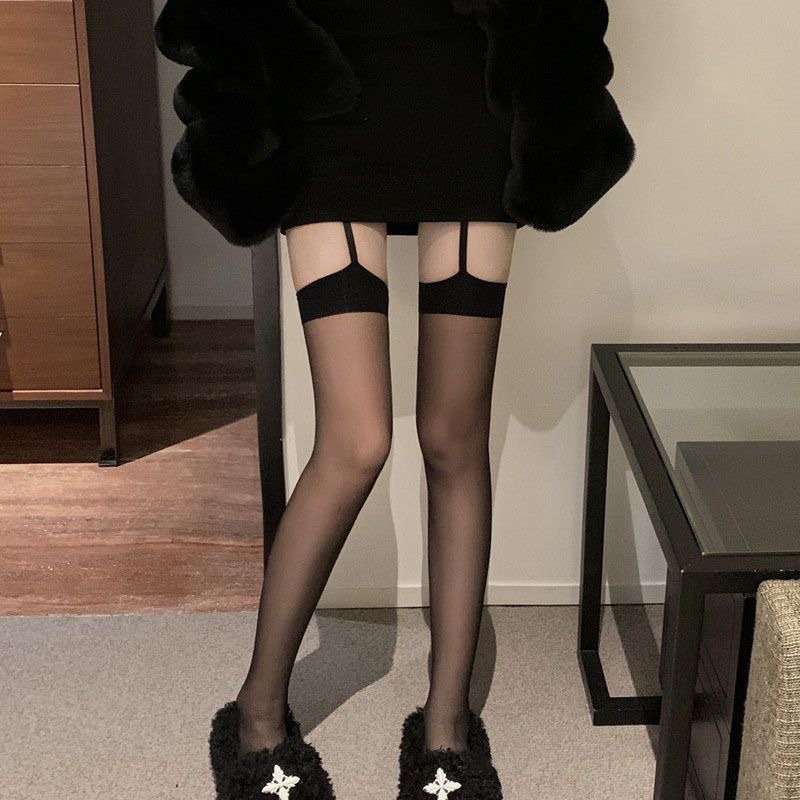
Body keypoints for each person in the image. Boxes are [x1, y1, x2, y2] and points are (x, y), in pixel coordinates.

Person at [154, 1, 635, 798]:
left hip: (468, 107)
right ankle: (256, 717)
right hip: (328, 119)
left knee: (453, 436)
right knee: (357, 441)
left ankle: (447, 729)